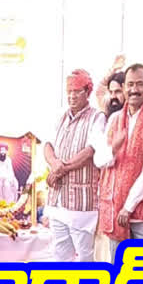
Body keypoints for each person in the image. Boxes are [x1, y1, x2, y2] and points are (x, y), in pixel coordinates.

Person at [94, 63, 143, 263]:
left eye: (140, 84)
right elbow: (98, 159)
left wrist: (129, 205)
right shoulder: (114, 119)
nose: (134, 90)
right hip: (115, 207)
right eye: (130, 85)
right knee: (119, 272)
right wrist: (113, 149)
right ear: (124, 87)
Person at [43, 69, 105, 263]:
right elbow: (47, 145)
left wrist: (63, 168)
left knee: (85, 256)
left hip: (82, 204)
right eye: (69, 91)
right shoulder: (60, 117)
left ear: (88, 92)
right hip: (58, 200)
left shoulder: (97, 118)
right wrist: (54, 164)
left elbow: (91, 150)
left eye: (76, 91)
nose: (71, 95)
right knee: (60, 255)